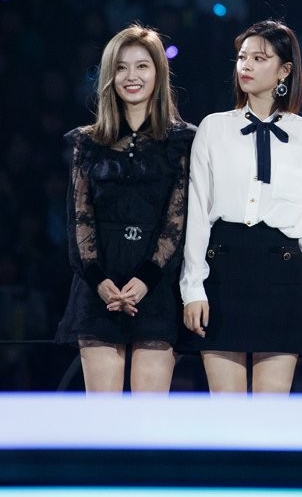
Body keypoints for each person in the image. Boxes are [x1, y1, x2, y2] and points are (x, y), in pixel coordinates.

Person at [180, 20, 302, 393]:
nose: (245, 65)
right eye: (242, 57)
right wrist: (193, 288)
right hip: (221, 271)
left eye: (259, 58)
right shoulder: (214, 128)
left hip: (281, 274)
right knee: (226, 412)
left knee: (271, 414)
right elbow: (196, 213)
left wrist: (287, 242)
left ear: (284, 70)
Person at [56, 24, 194, 393]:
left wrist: (146, 279)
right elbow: (79, 219)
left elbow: (178, 220)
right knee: (104, 419)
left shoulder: (182, 142)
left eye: (141, 66)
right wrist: (99, 281)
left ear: (158, 73)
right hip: (98, 289)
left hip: (157, 288)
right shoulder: (87, 143)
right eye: (121, 67)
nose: (131, 76)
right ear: (109, 76)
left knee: (148, 419)